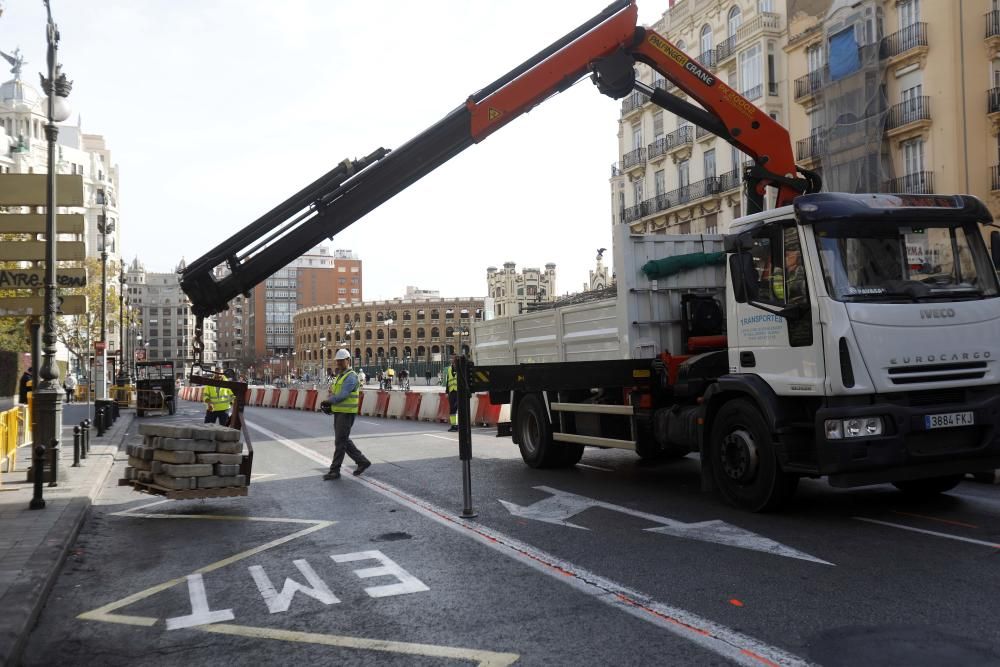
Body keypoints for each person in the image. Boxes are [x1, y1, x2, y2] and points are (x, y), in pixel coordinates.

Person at [321, 349, 371, 480]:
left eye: (341, 361)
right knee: (343, 440)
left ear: (348, 360)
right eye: (337, 361)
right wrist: (331, 398)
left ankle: (335, 470)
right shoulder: (340, 375)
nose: (338, 363)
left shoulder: (351, 376)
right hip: (339, 412)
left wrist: (329, 401)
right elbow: (335, 392)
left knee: (340, 442)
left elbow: (343, 395)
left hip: (347, 413)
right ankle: (362, 461)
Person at [445, 354, 459, 432]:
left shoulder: (460, 368)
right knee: (452, 409)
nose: (452, 360)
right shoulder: (449, 369)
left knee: (458, 409)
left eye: (454, 359)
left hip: (459, 392)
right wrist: (447, 392)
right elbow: (448, 381)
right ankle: (454, 425)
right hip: (452, 392)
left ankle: (459, 425)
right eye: (452, 359)